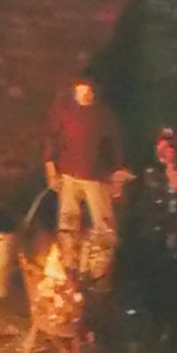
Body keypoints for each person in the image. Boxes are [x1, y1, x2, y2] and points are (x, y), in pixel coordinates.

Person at [44, 72, 130, 253]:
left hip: (96, 178)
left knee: (104, 226)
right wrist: (51, 172)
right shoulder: (64, 113)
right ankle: (68, 263)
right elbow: (51, 142)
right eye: (80, 91)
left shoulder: (104, 116)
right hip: (69, 176)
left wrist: (118, 175)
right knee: (68, 224)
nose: (84, 95)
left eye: (88, 91)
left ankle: (102, 267)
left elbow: (116, 145)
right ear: (74, 93)